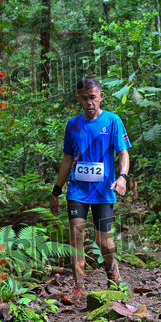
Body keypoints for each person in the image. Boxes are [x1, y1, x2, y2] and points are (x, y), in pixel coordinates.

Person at [50, 76, 131, 303]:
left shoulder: (113, 121)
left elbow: (123, 153)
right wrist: (56, 191)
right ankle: (79, 287)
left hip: (103, 191)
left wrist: (122, 177)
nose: (89, 102)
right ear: (79, 98)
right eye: (85, 98)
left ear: (101, 96)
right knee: (76, 234)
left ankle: (112, 274)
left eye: (93, 97)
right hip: (77, 190)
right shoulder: (73, 124)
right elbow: (67, 159)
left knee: (103, 241)